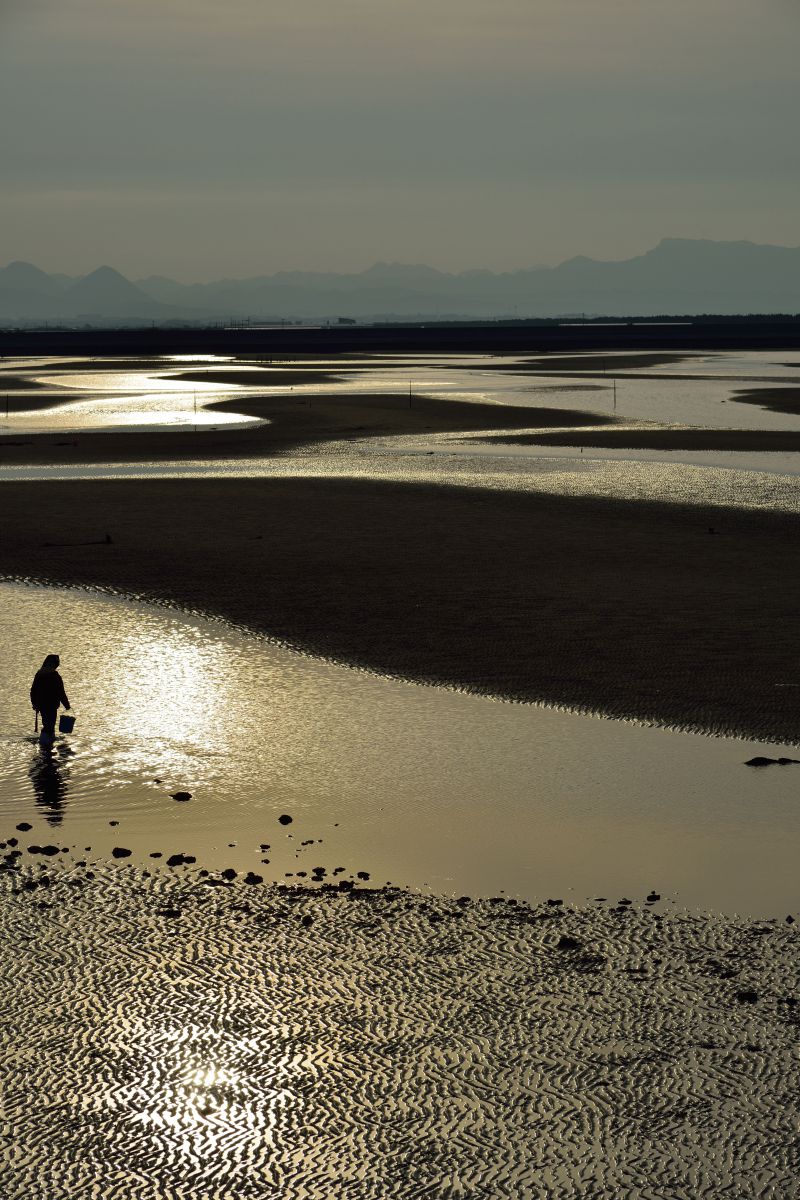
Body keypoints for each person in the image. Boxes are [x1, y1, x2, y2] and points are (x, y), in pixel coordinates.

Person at [30, 654, 71, 747]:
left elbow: (33, 690)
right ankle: (45, 743)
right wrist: (67, 705)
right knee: (49, 725)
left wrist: (34, 703)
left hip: (41, 705)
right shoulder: (55, 676)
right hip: (51, 706)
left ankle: (47, 743)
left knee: (48, 724)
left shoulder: (39, 674)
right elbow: (61, 692)